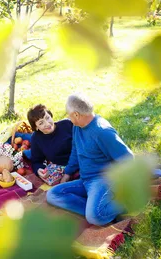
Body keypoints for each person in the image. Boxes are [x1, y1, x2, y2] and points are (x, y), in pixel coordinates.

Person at [46, 93, 134, 226]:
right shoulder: (77, 127)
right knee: (53, 195)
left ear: (76, 114)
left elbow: (128, 159)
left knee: (94, 218)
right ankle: (98, 207)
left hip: (102, 181)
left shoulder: (102, 131)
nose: (68, 117)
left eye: (68, 114)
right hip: (86, 180)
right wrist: (68, 173)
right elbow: (76, 151)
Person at [27, 104, 76, 178]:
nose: (47, 124)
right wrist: (39, 170)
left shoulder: (68, 124)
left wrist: (69, 172)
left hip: (81, 163)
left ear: (50, 115)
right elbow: (36, 161)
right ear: (36, 127)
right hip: (60, 171)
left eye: (47, 118)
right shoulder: (36, 138)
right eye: (41, 123)